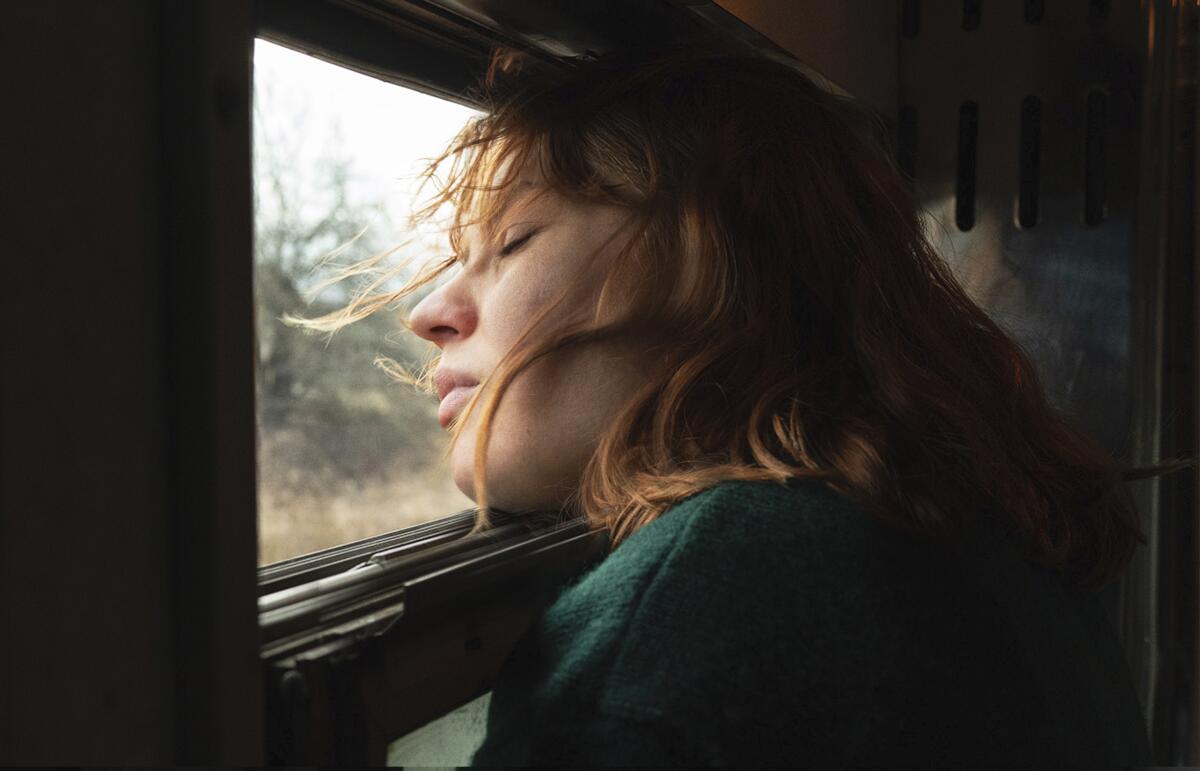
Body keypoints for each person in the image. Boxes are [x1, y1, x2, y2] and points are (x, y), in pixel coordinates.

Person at [309, 45, 1186, 764]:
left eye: (512, 241)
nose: (429, 314)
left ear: (707, 262)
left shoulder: (694, 617)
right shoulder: (962, 524)